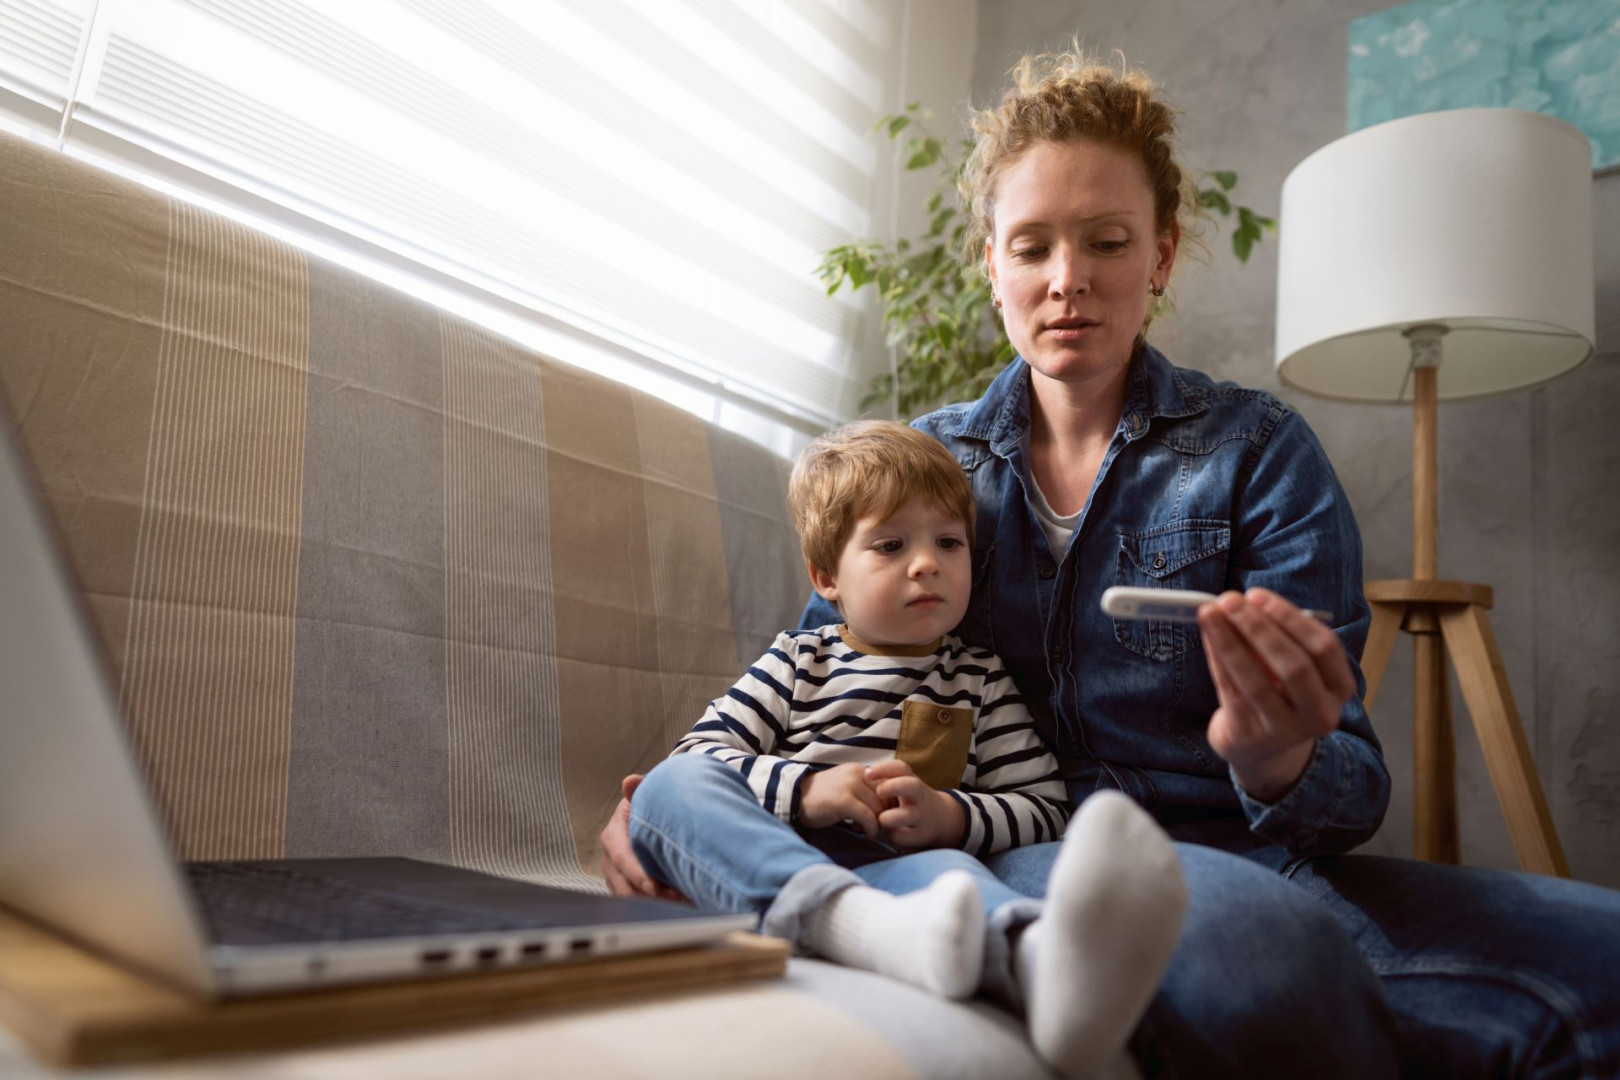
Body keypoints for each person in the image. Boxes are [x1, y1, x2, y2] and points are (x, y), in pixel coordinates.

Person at [604, 47, 1620, 1080]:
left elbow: (1351, 793)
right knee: (1258, 958)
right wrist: (679, 802)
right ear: (988, 260)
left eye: (1108, 241)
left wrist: (1274, 755)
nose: (1068, 280)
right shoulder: (925, 466)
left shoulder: (1257, 454)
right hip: (1014, 857)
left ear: (1162, 255)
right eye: (1033, 246)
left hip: (1240, 850)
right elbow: (827, 681)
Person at [627, 420, 1187, 1078]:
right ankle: (852, 924)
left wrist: (951, 817)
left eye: (949, 542)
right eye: (890, 545)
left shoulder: (977, 678)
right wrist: (806, 790)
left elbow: (1042, 808)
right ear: (826, 577)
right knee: (666, 789)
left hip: (902, 879)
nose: (927, 563)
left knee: (962, 892)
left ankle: (1046, 975)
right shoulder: (797, 660)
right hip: (764, 863)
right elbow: (703, 755)